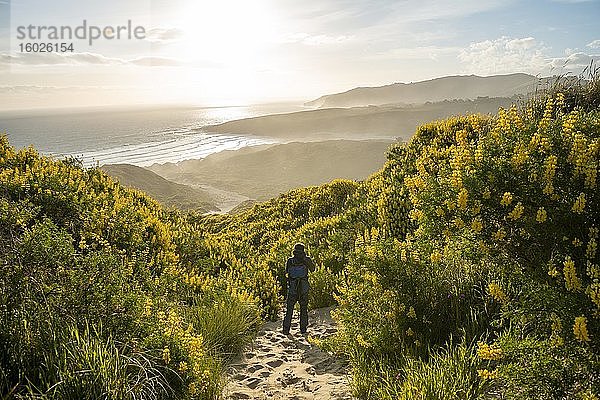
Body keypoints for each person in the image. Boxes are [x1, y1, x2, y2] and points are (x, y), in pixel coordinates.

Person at [283, 243, 315, 335]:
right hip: (303, 287)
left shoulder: (290, 261)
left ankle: (286, 330)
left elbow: (286, 272)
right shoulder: (306, 259)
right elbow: (313, 269)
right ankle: (303, 329)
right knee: (303, 309)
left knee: (289, 309)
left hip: (293, 287)